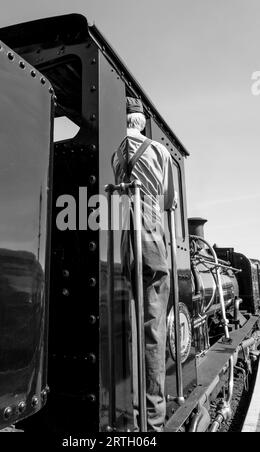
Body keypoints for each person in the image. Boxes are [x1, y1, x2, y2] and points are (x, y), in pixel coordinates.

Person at [111, 97, 177, 432]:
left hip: (125, 235)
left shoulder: (115, 155)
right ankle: (153, 419)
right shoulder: (159, 151)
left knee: (136, 321)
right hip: (151, 232)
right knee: (154, 325)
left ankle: (133, 411)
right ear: (140, 120)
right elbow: (168, 200)